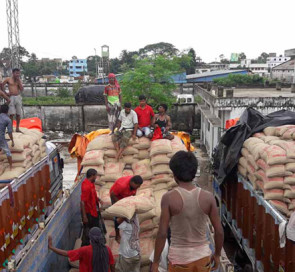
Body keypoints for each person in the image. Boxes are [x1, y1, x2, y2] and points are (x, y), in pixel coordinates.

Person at [152, 151, 224, 272]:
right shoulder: (208, 197)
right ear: (194, 172)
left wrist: (155, 262)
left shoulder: (169, 198)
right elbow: (219, 231)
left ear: (174, 175)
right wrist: (217, 255)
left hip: (179, 260)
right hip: (202, 258)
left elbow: (162, 233)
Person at [48, 227, 115, 272]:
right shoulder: (107, 249)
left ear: (90, 238)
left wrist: (52, 247)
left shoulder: (85, 250)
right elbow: (112, 265)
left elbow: (66, 253)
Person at [110, 175, 143, 242]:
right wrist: (121, 204)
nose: (139, 187)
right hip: (116, 197)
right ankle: (117, 235)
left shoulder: (134, 186)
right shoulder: (121, 186)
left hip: (125, 196)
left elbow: (133, 195)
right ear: (133, 183)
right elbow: (112, 194)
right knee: (117, 217)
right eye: (138, 185)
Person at [81, 169, 106, 246]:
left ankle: (97, 243)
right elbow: (82, 202)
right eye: (96, 175)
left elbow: (92, 195)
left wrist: (98, 199)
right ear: (92, 175)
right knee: (89, 230)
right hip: (89, 213)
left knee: (96, 227)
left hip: (94, 210)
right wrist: (85, 216)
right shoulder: (86, 186)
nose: (96, 177)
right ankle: (86, 246)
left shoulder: (91, 184)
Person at [0, 104, 14, 170]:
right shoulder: (8, 119)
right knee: (7, 151)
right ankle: (11, 167)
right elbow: (10, 132)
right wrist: (12, 141)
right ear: (7, 111)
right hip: (1, 137)